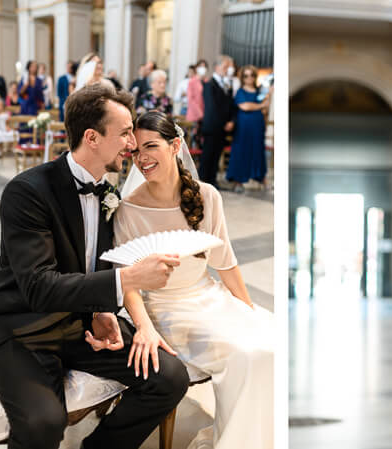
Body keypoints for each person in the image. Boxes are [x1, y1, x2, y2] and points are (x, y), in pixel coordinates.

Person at [0, 83, 188, 449]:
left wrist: (102, 310)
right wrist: (126, 279)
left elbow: (91, 264)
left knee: (169, 377)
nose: (132, 144)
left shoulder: (108, 192)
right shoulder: (27, 191)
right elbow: (38, 286)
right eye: (125, 133)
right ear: (92, 137)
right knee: (43, 424)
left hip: (81, 324)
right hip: (25, 329)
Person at [114, 110, 273, 449]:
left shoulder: (208, 196)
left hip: (208, 296)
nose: (142, 159)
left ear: (175, 146)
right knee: (249, 355)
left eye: (151, 146)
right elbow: (127, 282)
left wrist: (247, 309)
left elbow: (225, 263)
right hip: (166, 310)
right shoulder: (128, 209)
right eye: (136, 151)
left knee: (271, 342)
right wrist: (144, 326)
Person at [225, 65, 270, 190]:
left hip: (257, 125)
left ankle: (261, 178)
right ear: (242, 78)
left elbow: (265, 108)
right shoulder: (240, 91)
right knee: (241, 150)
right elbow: (245, 106)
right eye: (246, 75)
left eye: (252, 75)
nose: (249, 78)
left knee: (258, 151)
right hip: (243, 127)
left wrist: (268, 99)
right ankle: (238, 181)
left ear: (255, 77)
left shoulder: (259, 91)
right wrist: (261, 105)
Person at [199, 55, 236, 187]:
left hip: (223, 127)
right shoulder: (209, 85)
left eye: (228, 67)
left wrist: (231, 121)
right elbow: (212, 107)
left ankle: (213, 181)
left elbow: (231, 105)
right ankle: (203, 182)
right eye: (225, 67)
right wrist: (224, 123)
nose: (227, 70)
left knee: (216, 156)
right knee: (208, 156)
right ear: (217, 67)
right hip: (212, 126)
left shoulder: (227, 84)